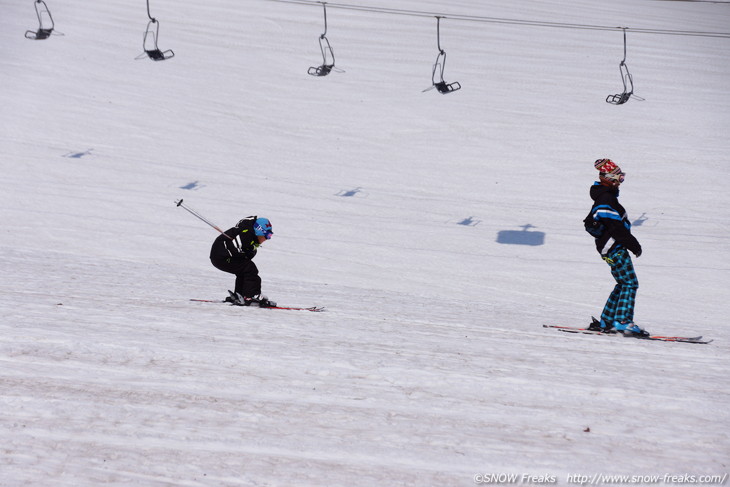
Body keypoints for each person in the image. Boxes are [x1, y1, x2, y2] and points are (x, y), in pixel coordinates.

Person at [584, 159, 648, 337]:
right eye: (620, 178)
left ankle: (608, 320)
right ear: (610, 178)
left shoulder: (604, 197)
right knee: (630, 283)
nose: (621, 182)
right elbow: (616, 227)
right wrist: (634, 245)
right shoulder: (606, 199)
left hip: (610, 248)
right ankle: (623, 322)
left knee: (622, 283)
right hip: (615, 247)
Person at [209, 215, 276, 307]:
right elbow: (235, 250)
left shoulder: (249, 234)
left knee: (244, 270)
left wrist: (249, 251)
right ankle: (251, 296)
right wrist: (248, 251)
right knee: (249, 268)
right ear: (259, 232)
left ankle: (240, 294)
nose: (268, 238)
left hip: (222, 256)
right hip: (222, 258)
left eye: (270, 235)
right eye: (267, 235)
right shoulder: (245, 236)